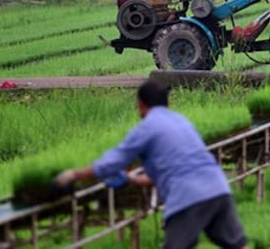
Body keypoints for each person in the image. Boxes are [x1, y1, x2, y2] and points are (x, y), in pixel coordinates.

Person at [54, 80, 249, 249]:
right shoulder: (181, 122)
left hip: (188, 197)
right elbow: (174, 168)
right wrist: (134, 180)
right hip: (217, 187)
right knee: (237, 244)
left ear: (140, 104)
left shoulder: (146, 128)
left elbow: (111, 163)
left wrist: (73, 175)